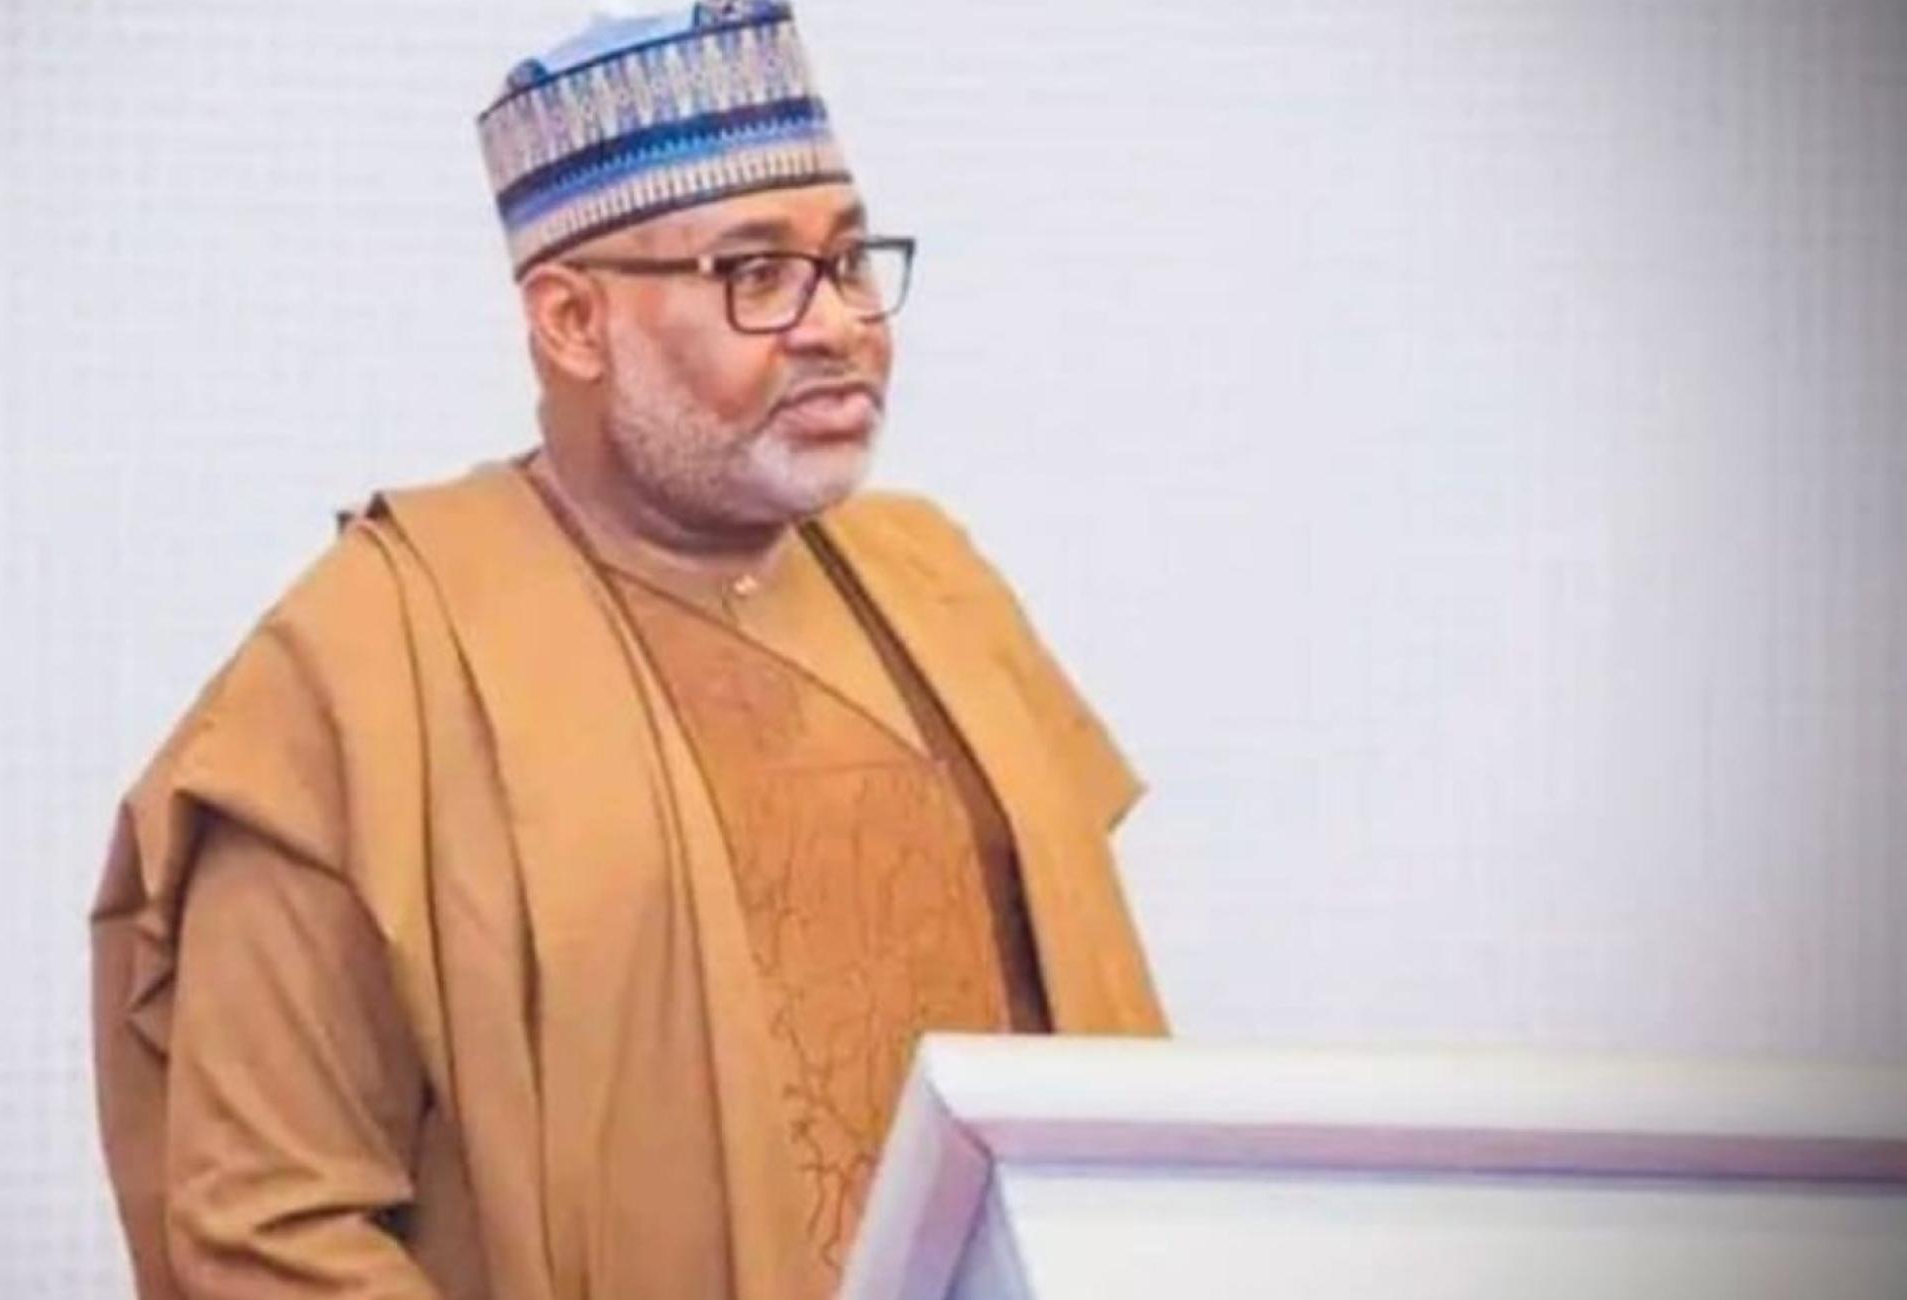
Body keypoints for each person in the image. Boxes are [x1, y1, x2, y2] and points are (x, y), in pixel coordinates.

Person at [87, 4, 1165, 1296]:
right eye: (755, 274)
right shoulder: (364, 667)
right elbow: (269, 1223)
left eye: (848, 260)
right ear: (572, 323)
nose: (838, 324)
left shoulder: (937, 588)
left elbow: (1093, 1076)